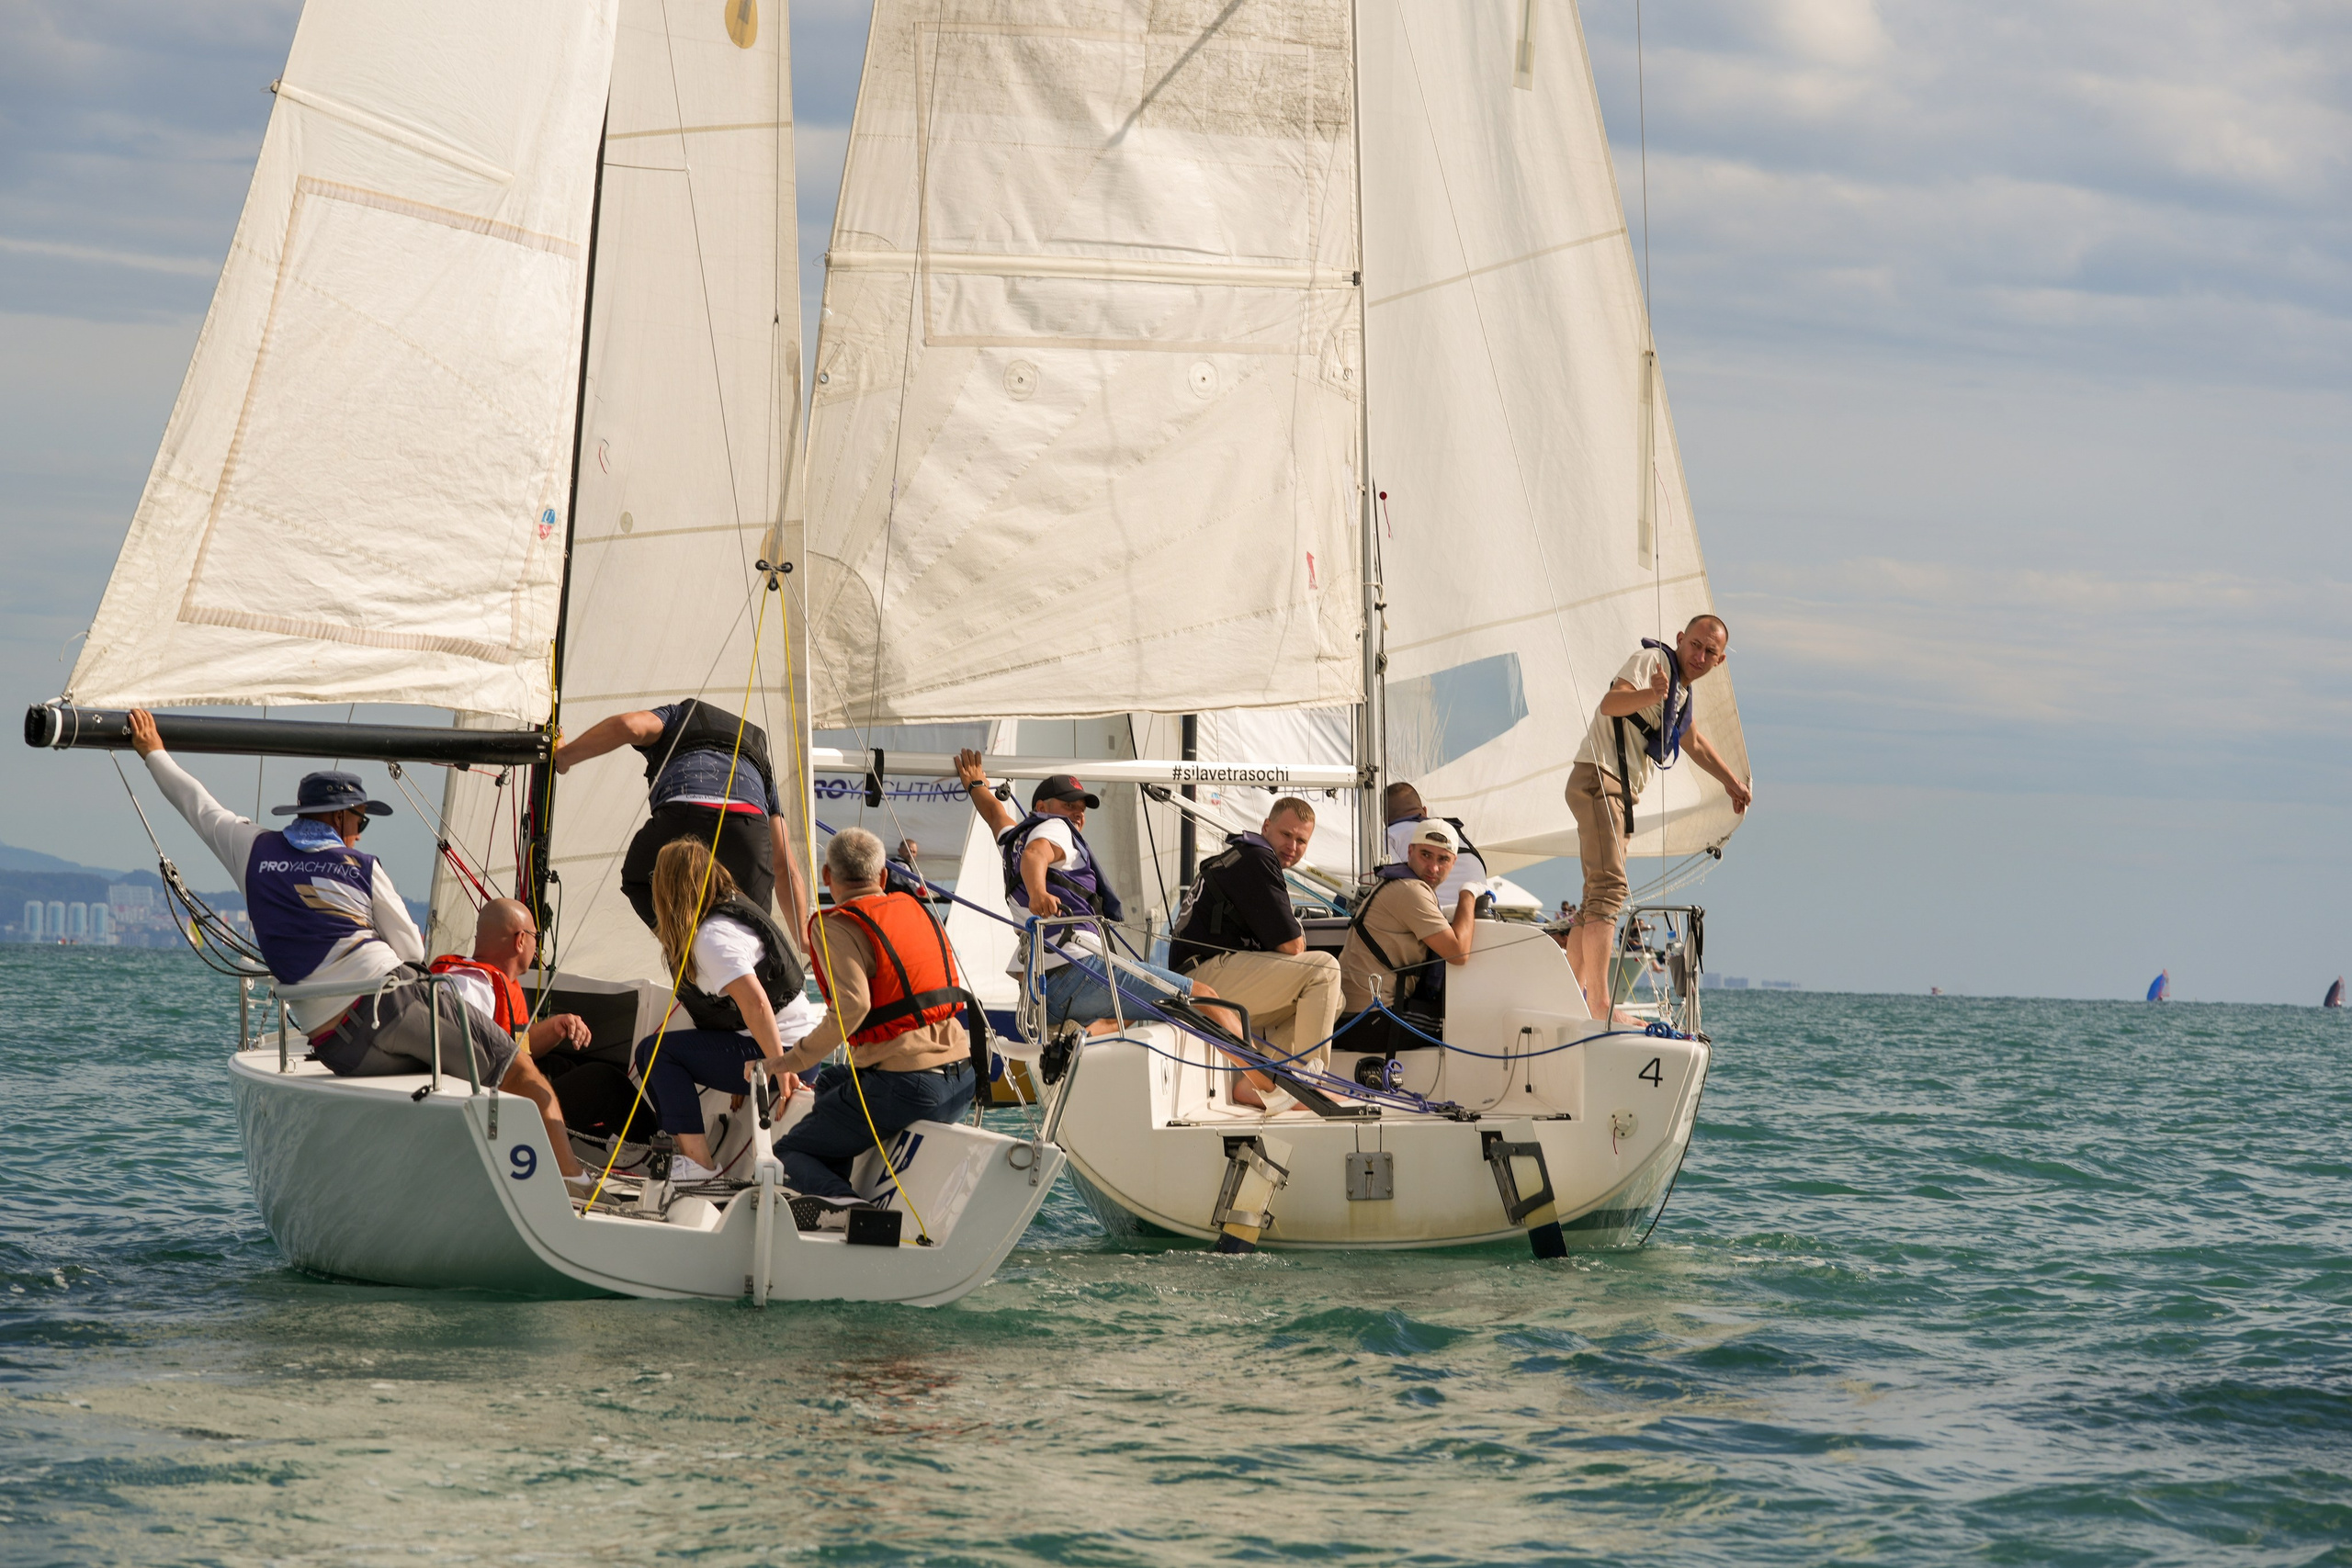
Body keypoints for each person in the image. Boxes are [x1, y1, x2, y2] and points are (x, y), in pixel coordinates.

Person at [124, 710, 537, 1097]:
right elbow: (413, 951)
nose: (359, 832)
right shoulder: (361, 866)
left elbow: (197, 805)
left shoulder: (251, 847)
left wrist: (153, 752)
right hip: (387, 1011)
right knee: (517, 1072)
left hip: (337, 1047)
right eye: (360, 820)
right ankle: (566, 1170)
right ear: (339, 818)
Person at [773, 828, 977, 1216]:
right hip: (963, 1079)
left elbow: (852, 1008)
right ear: (882, 877)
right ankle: (834, 1176)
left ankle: (853, 1210)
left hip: (909, 1087)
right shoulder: (917, 908)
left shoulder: (833, 925)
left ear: (827, 876)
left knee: (790, 1150)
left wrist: (787, 1061)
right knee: (831, 1081)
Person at [951, 750, 1221, 1033]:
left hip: (1043, 994)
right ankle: (1260, 1076)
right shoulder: (1055, 827)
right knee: (1206, 999)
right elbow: (1035, 853)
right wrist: (1038, 893)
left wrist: (975, 784)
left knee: (1127, 1012)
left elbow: (995, 812)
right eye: (1069, 805)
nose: (1078, 813)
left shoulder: (1011, 841)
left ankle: (1082, 1034)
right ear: (1042, 807)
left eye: (1081, 808)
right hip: (1078, 968)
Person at [1564, 614, 1751, 1019]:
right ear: (1681, 639)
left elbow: (1693, 741)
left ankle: (1570, 994)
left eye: (1710, 652)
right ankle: (1598, 1004)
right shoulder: (1654, 663)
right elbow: (1611, 703)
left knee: (1595, 895)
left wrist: (1731, 783)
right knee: (1610, 891)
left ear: (1719, 662)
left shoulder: (1680, 691)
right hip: (1601, 780)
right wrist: (1651, 695)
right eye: (1696, 644)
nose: (1700, 655)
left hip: (1616, 793)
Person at [629, 839, 822, 1185]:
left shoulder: (713, 937)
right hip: (787, 1046)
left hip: (791, 1056)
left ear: (669, 888)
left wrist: (778, 1068)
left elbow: (757, 1004)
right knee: (651, 1050)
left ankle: (699, 1167)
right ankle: (689, 1154)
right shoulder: (728, 916)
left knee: (657, 1053)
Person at [552, 699, 808, 932]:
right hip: (749, 827)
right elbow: (786, 865)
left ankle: (688, 946)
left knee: (638, 880)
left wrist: (563, 757)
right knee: (756, 935)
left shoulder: (677, 715)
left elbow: (627, 725)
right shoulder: (759, 755)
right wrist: (804, 942)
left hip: (683, 814)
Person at [1168, 798, 1343, 1084]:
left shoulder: (1243, 856)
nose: (1293, 846)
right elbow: (1293, 946)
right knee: (1325, 971)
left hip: (1207, 977)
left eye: (1301, 840)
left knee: (1333, 998)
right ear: (1266, 827)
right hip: (1200, 981)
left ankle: (1266, 1081)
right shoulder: (1257, 859)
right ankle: (1307, 1083)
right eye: (1286, 835)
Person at [428, 898, 596, 1186]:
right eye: (535, 937)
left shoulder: (476, 981)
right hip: (498, 1107)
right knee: (601, 1081)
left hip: (506, 1089)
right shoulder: (472, 987)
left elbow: (512, 1045)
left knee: (565, 1064)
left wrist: (557, 1027)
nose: (537, 946)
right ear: (521, 940)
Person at [1339, 820, 1480, 1041]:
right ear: (1410, 851)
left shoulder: (1399, 883)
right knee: (1468, 1029)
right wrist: (1469, 894)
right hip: (1370, 1017)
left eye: (1443, 859)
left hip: (1356, 1014)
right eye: (1426, 855)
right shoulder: (1410, 890)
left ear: (1454, 863)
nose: (1433, 868)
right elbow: (1458, 953)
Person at [1381, 782, 1492, 906]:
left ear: (1385, 819)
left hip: (1433, 913)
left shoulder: (1388, 836)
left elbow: (1390, 884)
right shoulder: (1457, 835)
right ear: (1425, 811)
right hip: (1480, 911)